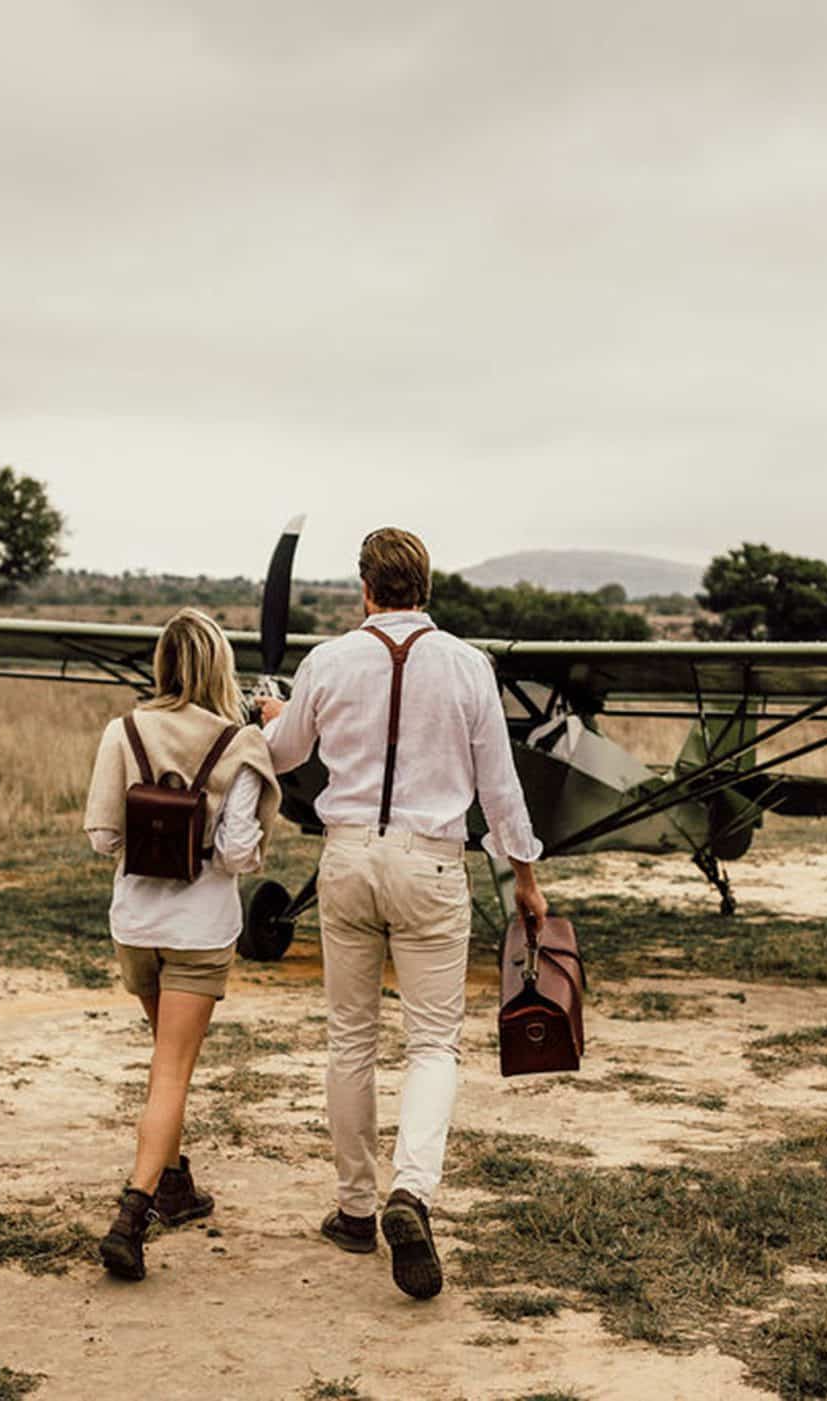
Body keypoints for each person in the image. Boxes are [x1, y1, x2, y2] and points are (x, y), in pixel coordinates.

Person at [259, 527, 546, 1300]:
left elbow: (283, 755)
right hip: (432, 863)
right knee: (432, 1043)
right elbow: (501, 787)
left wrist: (273, 714)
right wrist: (525, 876)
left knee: (350, 1037)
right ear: (425, 587)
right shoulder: (467, 665)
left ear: (365, 589)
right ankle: (411, 1191)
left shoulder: (327, 660)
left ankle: (356, 1209)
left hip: (347, 858)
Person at [82, 607, 281, 1281]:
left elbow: (103, 837)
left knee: (165, 1062)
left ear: (162, 664)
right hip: (199, 930)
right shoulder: (240, 743)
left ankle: (174, 1183)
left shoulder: (123, 731)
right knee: (172, 1071)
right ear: (221, 666)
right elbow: (239, 852)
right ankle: (131, 1215)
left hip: (136, 924)